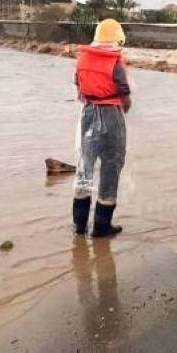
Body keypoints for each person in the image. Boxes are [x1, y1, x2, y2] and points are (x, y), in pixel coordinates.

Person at [72, 19, 131, 237]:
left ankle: (79, 225)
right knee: (111, 166)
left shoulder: (82, 58)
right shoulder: (114, 62)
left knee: (84, 166)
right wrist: (125, 107)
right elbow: (124, 93)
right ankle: (101, 226)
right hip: (111, 114)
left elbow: (78, 88)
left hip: (87, 113)